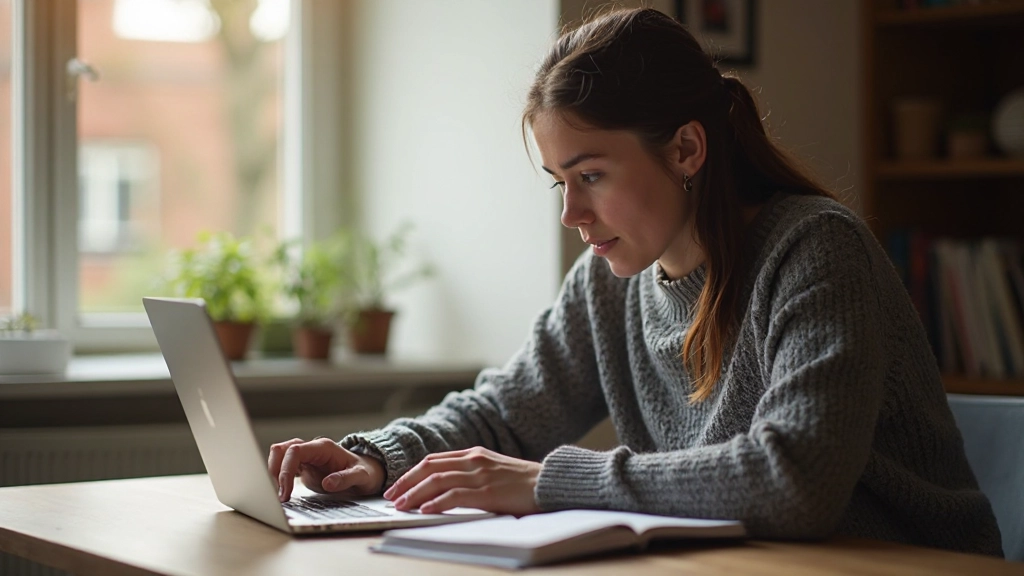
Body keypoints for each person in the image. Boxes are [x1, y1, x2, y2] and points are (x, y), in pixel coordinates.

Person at [268, 7, 1003, 556]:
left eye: (590, 175)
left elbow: (795, 480)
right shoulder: (611, 282)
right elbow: (504, 416)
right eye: (558, 181)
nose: (571, 213)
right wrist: (375, 457)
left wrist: (545, 482)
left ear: (686, 148)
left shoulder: (816, 251)